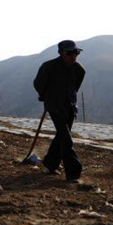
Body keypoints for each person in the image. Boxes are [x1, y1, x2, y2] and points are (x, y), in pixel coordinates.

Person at [33, 39, 86, 182]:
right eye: (69, 53)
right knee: (66, 138)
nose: (73, 56)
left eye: (76, 52)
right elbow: (38, 84)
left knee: (62, 136)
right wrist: (45, 96)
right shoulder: (49, 67)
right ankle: (73, 173)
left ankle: (50, 163)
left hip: (69, 106)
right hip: (54, 106)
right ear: (61, 53)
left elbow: (76, 86)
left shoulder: (79, 69)